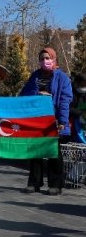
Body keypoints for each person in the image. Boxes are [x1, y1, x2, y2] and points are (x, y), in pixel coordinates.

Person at [20, 47, 73, 195]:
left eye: (48, 58)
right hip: (37, 120)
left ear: (54, 59)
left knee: (53, 152)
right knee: (35, 152)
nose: (45, 61)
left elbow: (65, 100)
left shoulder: (62, 77)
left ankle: (56, 184)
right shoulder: (35, 76)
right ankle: (34, 183)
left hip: (53, 120)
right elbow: (25, 94)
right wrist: (38, 94)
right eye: (42, 58)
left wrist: (62, 120)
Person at [70, 72, 86, 144]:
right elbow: (66, 108)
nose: (84, 88)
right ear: (76, 83)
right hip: (73, 119)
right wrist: (81, 112)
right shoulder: (69, 91)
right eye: (82, 85)